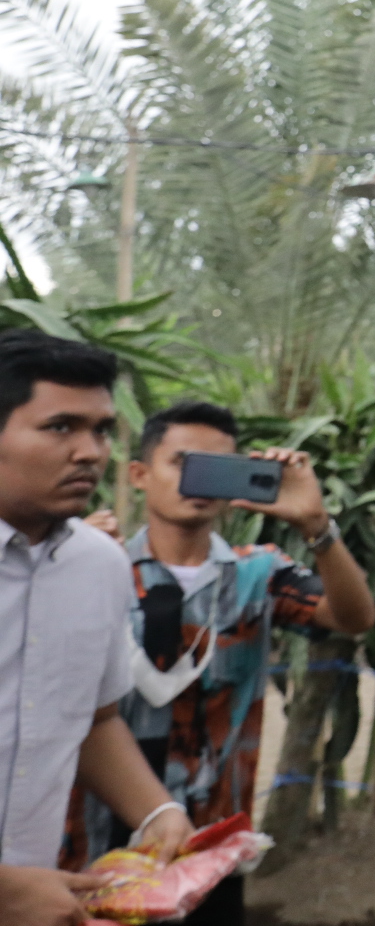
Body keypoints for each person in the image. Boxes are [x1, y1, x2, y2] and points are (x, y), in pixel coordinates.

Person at [68, 401, 375, 923]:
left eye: (216, 469)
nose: (198, 483)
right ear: (140, 475)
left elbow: (355, 616)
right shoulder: (100, 563)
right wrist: (68, 560)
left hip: (212, 841)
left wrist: (316, 524)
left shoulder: (258, 572)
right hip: (95, 837)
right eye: (182, 464)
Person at [0, 331, 190, 926]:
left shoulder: (102, 565)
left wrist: (156, 812)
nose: (90, 451)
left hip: (47, 900)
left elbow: (93, 718)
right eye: (60, 427)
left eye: (101, 430)